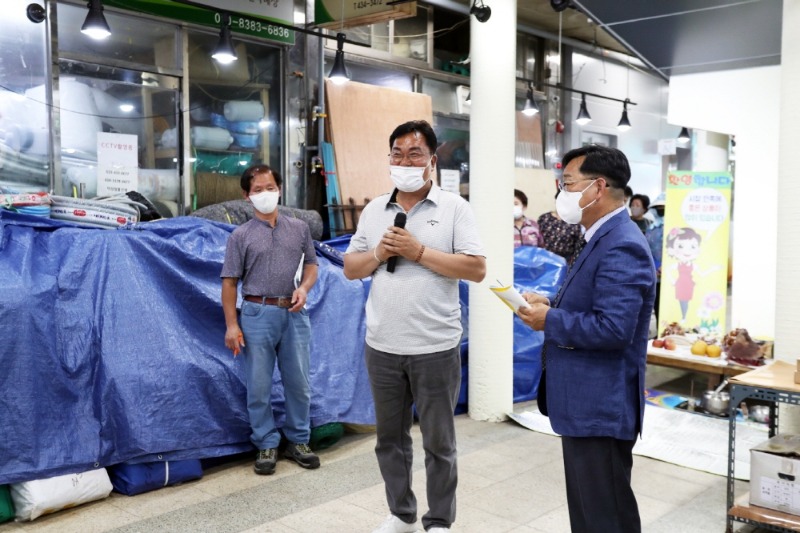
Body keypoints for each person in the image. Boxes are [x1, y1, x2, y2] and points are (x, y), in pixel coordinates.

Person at [343, 120, 486, 533]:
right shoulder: (375, 210)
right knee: (389, 441)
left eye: (415, 154)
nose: (405, 162)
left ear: (432, 161)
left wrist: (418, 251)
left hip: (435, 347)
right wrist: (378, 253)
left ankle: (439, 520)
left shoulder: (455, 208)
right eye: (398, 154)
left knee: (439, 443)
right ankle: (401, 514)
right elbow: (351, 268)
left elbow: (476, 269)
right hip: (382, 346)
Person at [517, 145, 656, 533]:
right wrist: (550, 303)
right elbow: (595, 301)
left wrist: (550, 320)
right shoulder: (599, 235)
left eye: (567, 183)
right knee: (590, 514)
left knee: (604, 517)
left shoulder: (622, 242)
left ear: (597, 188)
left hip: (601, 405)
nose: (561, 193)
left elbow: (614, 328)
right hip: (584, 402)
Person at [220, 164, 320, 476]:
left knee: (299, 383)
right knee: (258, 385)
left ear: (280, 190)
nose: (265, 194)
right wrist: (232, 325)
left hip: (294, 312)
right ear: (246, 196)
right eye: (258, 190)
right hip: (256, 313)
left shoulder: (299, 229)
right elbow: (229, 283)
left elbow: (312, 265)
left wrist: (304, 288)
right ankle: (265, 442)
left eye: (270, 188)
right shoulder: (240, 236)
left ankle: (299, 440)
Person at [537, 183, 584, 264]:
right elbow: (537, 240)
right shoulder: (544, 218)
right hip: (544, 261)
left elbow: (578, 246)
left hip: (566, 262)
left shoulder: (575, 221)